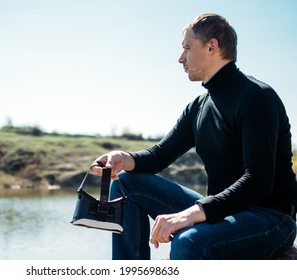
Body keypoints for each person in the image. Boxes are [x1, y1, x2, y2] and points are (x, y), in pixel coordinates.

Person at [91, 13, 297, 260]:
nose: (180, 58)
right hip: (222, 210)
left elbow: (258, 180)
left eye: (187, 48)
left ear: (212, 46)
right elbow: (158, 157)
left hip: (270, 217)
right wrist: (122, 157)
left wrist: (192, 213)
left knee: (190, 242)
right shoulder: (198, 107)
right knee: (125, 183)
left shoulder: (256, 98)